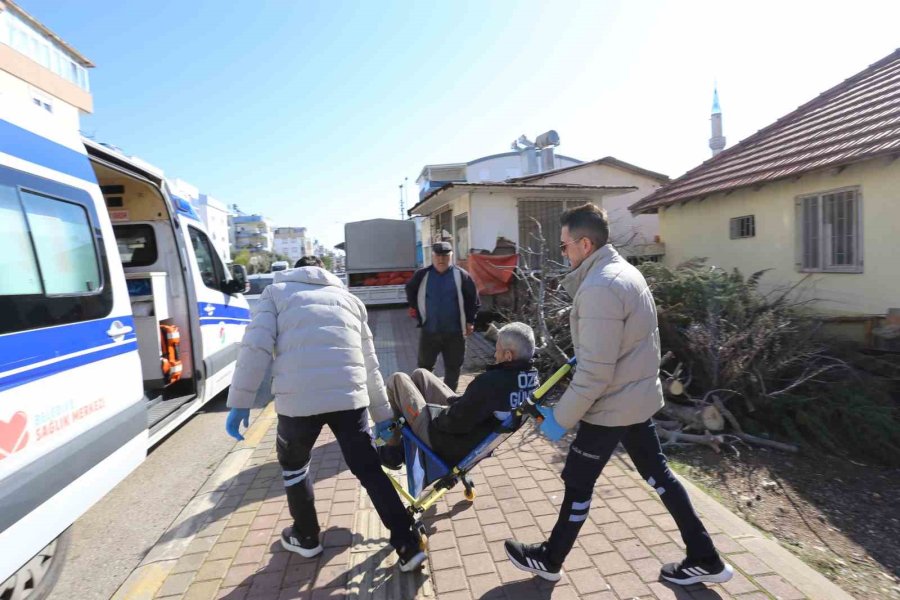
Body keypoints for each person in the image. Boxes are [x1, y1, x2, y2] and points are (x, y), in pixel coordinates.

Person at [504, 203, 733, 586]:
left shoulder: (600, 288)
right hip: (634, 399)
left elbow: (596, 373)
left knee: (578, 480)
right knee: (658, 475)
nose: (563, 253)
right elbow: (625, 344)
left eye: (564, 245)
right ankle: (705, 557)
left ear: (585, 244)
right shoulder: (625, 273)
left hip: (611, 406)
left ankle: (550, 558)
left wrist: (559, 420)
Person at [225, 265, 427, 572]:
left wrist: (240, 402)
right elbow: (369, 364)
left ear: (294, 272)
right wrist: (383, 416)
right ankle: (407, 544)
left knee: (294, 466)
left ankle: (306, 536)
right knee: (368, 468)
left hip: (298, 401)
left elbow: (255, 348)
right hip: (349, 398)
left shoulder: (275, 294)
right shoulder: (350, 301)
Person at [381, 322, 539, 467]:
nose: (494, 355)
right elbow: (472, 409)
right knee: (421, 375)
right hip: (473, 434)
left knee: (397, 380)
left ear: (508, 356)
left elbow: (455, 422)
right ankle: (407, 445)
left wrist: (433, 413)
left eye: (497, 350)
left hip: (446, 442)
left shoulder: (491, 383)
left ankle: (393, 453)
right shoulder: (532, 381)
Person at [405, 241, 481, 392]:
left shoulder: (461, 276)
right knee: (424, 368)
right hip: (429, 331)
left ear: (451, 256)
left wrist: (470, 321)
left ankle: (449, 397)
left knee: (453, 368)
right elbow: (410, 290)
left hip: (455, 333)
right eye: (438, 256)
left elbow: (473, 300)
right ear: (432, 256)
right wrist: (416, 309)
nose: (441, 259)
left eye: (445, 256)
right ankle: (426, 396)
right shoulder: (422, 275)